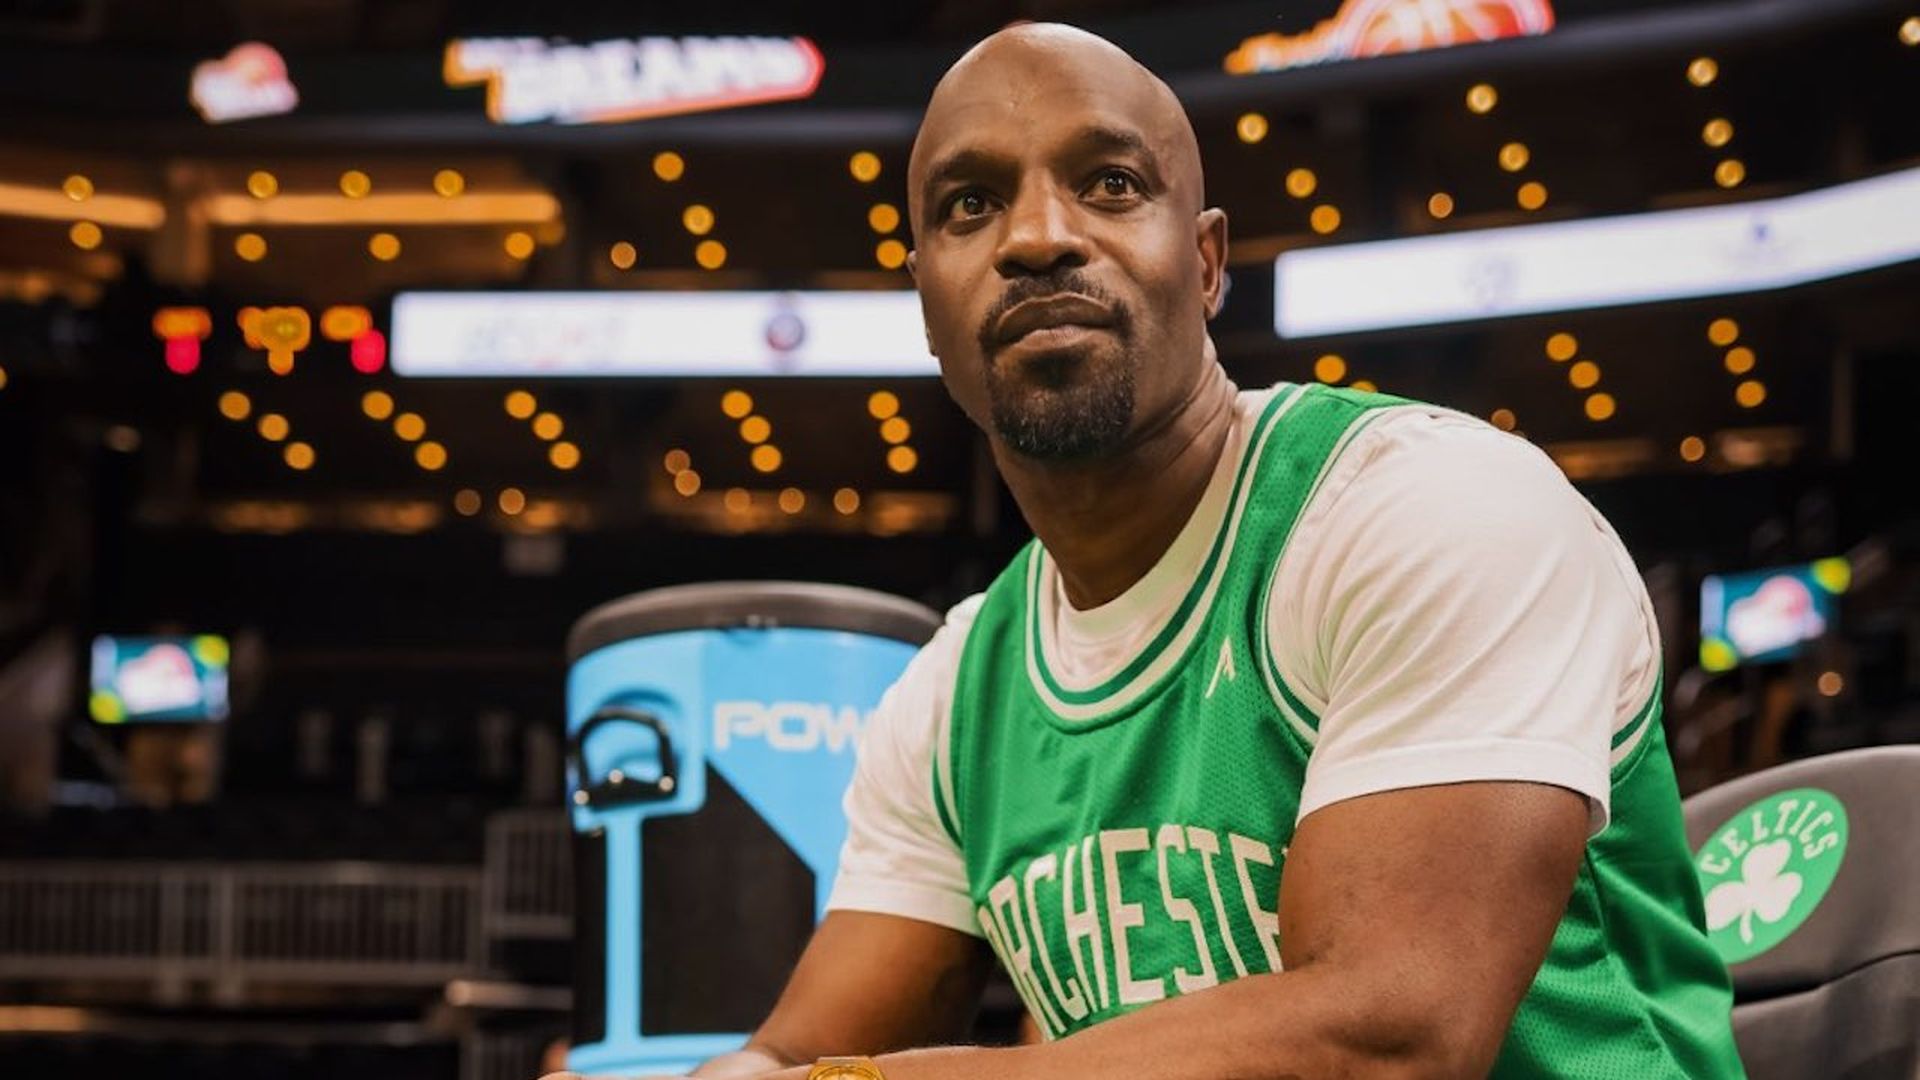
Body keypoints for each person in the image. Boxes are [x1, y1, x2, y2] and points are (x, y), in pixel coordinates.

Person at [551, 22, 1743, 1080]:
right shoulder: (952, 698)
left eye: (1110, 184)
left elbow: (1392, 1035)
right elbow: (801, 1051)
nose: (1037, 238)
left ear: (1208, 261)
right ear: (926, 303)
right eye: (970, 205)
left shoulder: (1422, 507)